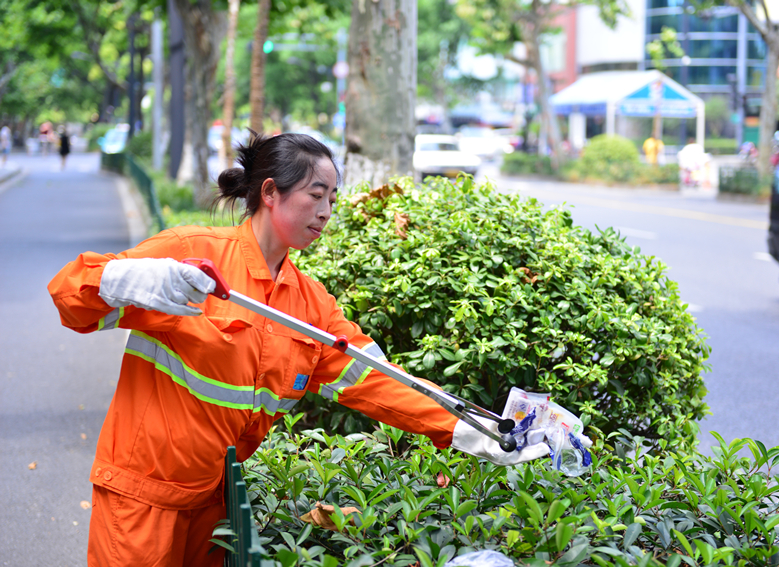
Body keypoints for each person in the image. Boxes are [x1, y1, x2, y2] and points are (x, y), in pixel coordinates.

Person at [48, 132, 549, 567]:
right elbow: (70, 298)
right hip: (142, 498)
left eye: (333, 197)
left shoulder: (310, 307)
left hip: (215, 504)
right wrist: (122, 280)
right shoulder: (191, 255)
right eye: (316, 195)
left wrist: (477, 429)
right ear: (271, 192)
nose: (327, 211)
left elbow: (380, 380)